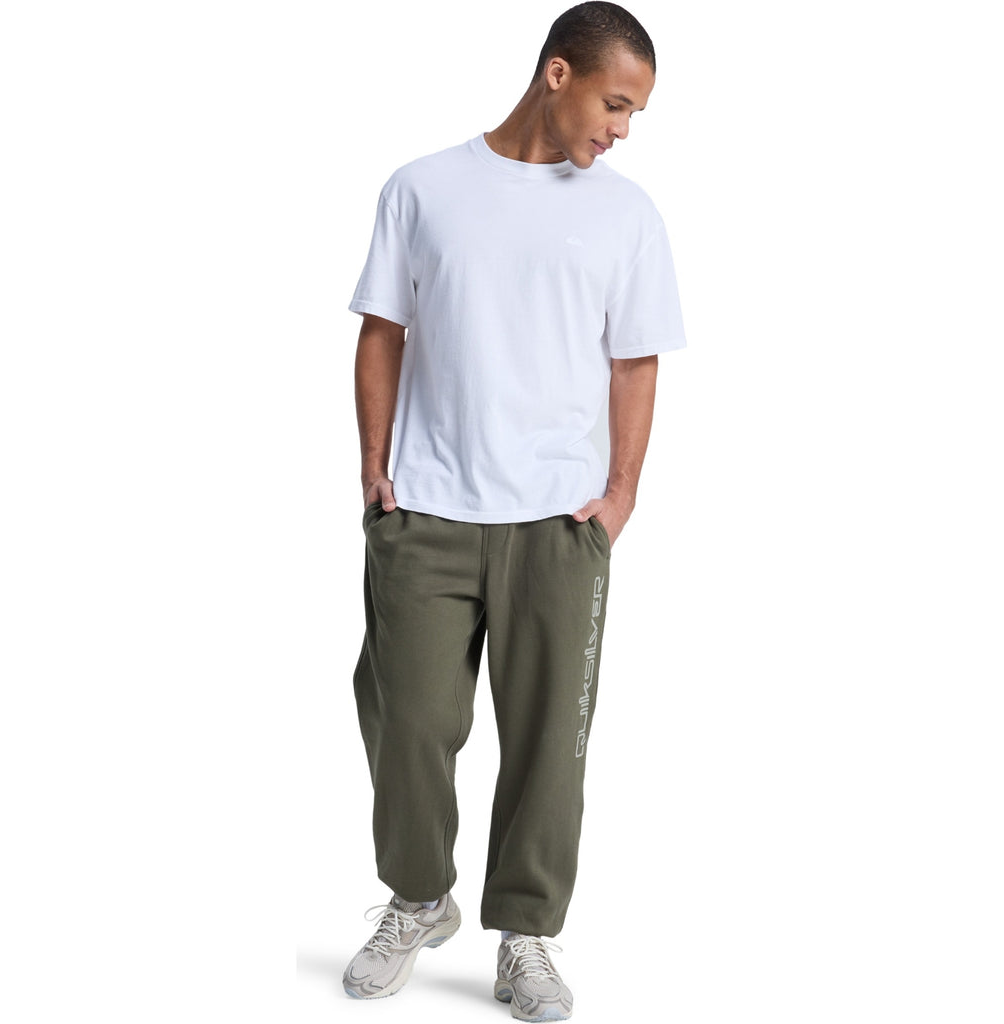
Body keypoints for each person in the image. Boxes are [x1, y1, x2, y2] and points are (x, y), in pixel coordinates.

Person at [341, 3, 685, 1019]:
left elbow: (635, 361)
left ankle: (525, 935)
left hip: (558, 522)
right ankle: (418, 898)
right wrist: (374, 469)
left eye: (634, 113)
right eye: (615, 103)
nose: (621, 129)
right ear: (556, 73)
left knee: (548, 745)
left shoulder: (627, 215)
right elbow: (381, 331)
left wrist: (620, 497)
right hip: (426, 510)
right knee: (407, 721)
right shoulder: (422, 188)